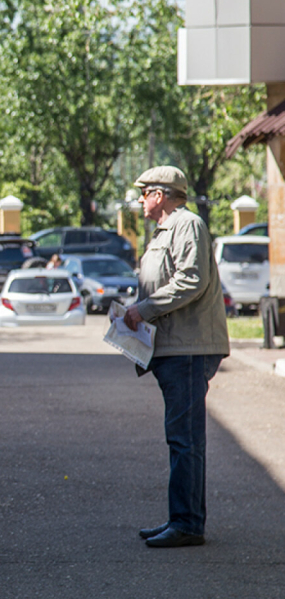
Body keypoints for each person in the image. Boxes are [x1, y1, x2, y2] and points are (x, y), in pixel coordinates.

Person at [123, 165, 229, 548]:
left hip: (188, 347)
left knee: (184, 440)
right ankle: (182, 518)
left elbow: (190, 280)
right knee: (181, 438)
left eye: (144, 193)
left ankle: (186, 524)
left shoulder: (188, 225)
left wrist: (144, 309)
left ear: (160, 194)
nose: (139, 200)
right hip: (173, 346)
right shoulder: (165, 231)